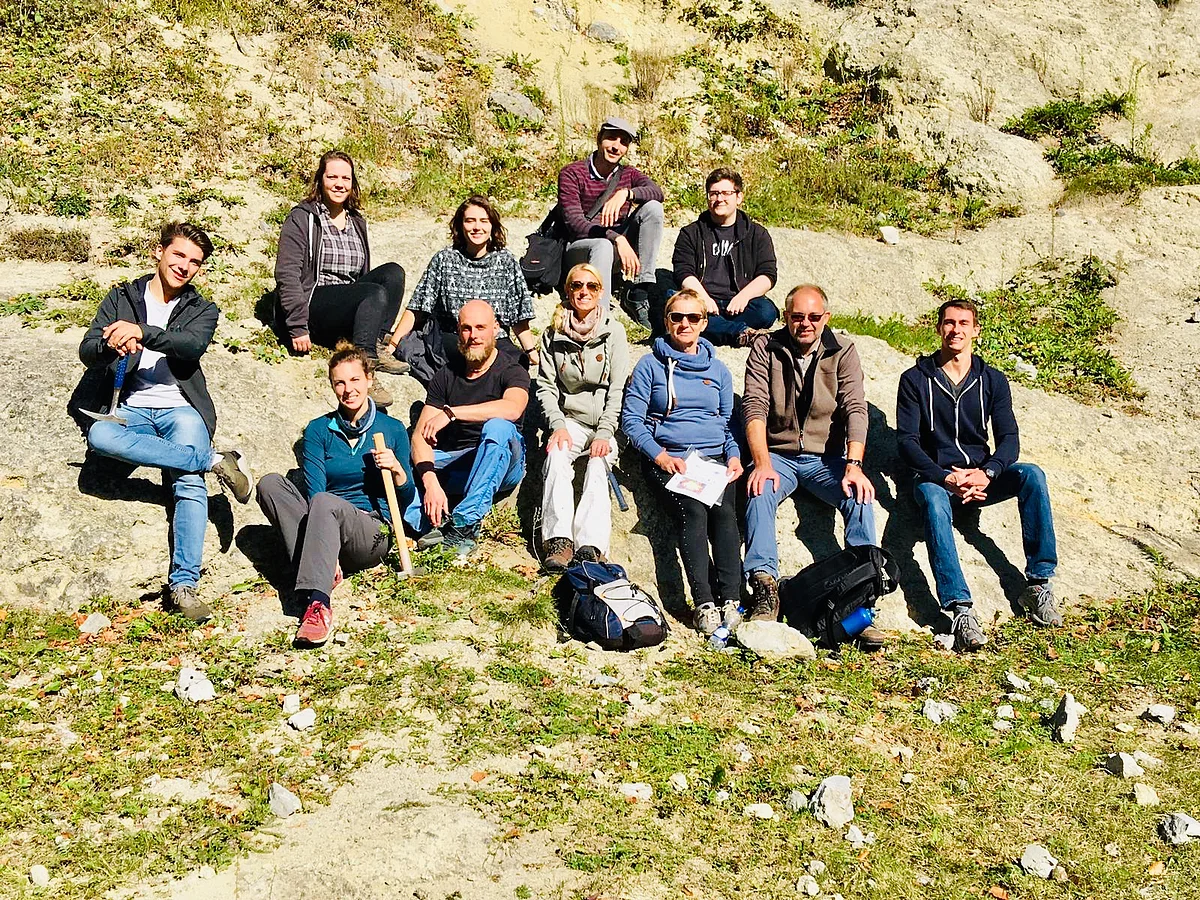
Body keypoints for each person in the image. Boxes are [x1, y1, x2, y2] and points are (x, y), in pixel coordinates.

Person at [79, 222, 254, 623]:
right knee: (101, 435)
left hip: (180, 408)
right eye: (178, 255)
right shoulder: (121, 297)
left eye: (194, 262)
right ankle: (213, 460)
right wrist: (110, 343)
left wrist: (143, 331)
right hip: (131, 409)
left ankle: (183, 585)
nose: (184, 266)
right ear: (160, 251)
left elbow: (190, 346)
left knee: (187, 482)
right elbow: (87, 351)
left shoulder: (201, 309)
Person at [896, 296, 1061, 652]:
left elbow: (1009, 439)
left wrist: (987, 473)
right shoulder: (914, 379)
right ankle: (959, 608)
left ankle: (1038, 585)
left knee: (1032, 475)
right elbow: (907, 442)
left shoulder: (993, 380)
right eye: (949, 323)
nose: (956, 330)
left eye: (963, 324)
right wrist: (945, 478)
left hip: (982, 475)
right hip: (935, 479)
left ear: (976, 331)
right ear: (939, 328)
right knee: (934, 499)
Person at [740, 285, 885, 649]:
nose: (805, 323)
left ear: (826, 318)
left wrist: (854, 465)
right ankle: (764, 586)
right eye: (797, 316)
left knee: (861, 497)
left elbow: (855, 407)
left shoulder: (842, 352)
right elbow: (754, 407)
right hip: (780, 453)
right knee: (759, 490)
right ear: (786, 317)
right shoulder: (766, 349)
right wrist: (760, 463)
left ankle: (859, 594)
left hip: (828, 458)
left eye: (813, 317)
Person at [257, 342, 414, 647]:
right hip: (324, 521)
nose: (348, 389)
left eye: (355, 380)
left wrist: (396, 470)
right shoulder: (319, 430)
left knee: (326, 503)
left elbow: (404, 500)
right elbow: (316, 491)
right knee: (270, 484)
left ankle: (317, 604)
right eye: (339, 382)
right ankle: (325, 566)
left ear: (369, 379)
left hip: (369, 531)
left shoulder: (392, 429)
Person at [620, 289, 743, 635]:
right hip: (669, 457)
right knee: (694, 510)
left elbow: (728, 423)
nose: (684, 324)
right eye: (677, 317)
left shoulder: (718, 370)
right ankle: (704, 602)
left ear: (704, 323)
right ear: (666, 322)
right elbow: (632, 419)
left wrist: (733, 457)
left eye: (693, 317)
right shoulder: (650, 365)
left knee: (724, 512)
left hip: (713, 458)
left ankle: (731, 600)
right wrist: (660, 456)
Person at [273, 150, 409, 388]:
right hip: (314, 303)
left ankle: (375, 342)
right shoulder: (303, 218)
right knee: (371, 292)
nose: (339, 184)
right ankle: (364, 366)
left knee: (393, 274)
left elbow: (362, 276)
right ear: (320, 180)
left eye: (345, 179)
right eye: (332, 177)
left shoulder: (356, 221)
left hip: (346, 302)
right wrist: (297, 325)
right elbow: (288, 273)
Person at [404, 300, 530, 556]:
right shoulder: (447, 375)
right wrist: (430, 482)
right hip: (460, 462)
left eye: (480, 328)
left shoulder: (512, 369)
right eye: (466, 329)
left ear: (495, 329)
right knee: (405, 457)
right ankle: (431, 525)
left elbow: (512, 409)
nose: (473, 336)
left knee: (498, 428)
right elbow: (420, 438)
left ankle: (465, 524)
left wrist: (452, 413)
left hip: (504, 461)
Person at [535, 263, 630, 572]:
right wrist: (558, 425)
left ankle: (591, 545)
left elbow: (617, 388)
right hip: (571, 419)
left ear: (600, 292)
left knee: (598, 462)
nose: (584, 292)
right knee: (557, 454)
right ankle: (559, 540)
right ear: (569, 291)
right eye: (577, 286)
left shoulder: (614, 331)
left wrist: (605, 432)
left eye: (591, 286)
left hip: (605, 420)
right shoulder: (553, 333)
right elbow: (546, 385)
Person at [386, 195, 538, 384]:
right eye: (470, 221)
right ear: (460, 225)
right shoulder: (444, 259)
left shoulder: (506, 261)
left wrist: (530, 351)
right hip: (456, 337)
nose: (477, 227)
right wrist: (393, 344)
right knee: (467, 364)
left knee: (516, 363)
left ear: (492, 226)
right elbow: (418, 307)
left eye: (483, 221)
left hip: (493, 339)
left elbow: (518, 317)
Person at [558, 116, 664, 327]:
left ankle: (641, 290)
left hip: (616, 250)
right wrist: (616, 238)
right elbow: (575, 223)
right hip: (582, 248)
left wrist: (626, 193)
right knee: (604, 245)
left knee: (653, 207)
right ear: (599, 139)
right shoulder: (572, 173)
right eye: (611, 139)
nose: (616, 147)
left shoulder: (628, 174)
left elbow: (657, 193)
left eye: (623, 142)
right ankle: (600, 316)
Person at [670, 167, 779, 345]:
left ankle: (712, 328)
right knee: (675, 303)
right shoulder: (691, 233)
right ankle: (740, 333)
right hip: (701, 300)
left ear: (739, 197)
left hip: (738, 303)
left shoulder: (756, 234)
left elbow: (768, 274)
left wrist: (743, 297)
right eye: (713, 193)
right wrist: (703, 298)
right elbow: (683, 271)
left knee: (766, 311)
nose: (719, 199)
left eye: (726, 193)